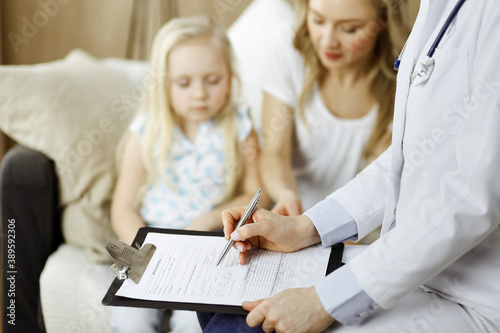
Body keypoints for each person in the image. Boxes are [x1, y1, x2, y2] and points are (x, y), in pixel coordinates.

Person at [201, 0, 500, 332]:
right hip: (411, 265)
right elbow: (408, 154)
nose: (329, 39)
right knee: (220, 297)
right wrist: (305, 227)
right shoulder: (438, 8)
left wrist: (327, 300)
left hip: (473, 296)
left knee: (241, 327)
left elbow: (472, 199)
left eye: (349, 28)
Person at [110, 16, 264, 333]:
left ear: (230, 78)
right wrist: (144, 257)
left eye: (212, 80)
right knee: (130, 321)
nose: (199, 94)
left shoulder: (239, 125)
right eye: (184, 83)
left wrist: (207, 220)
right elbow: (122, 207)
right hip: (149, 253)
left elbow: (255, 191)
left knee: (192, 322)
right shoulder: (147, 130)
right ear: (163, 84)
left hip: (206, 250)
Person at [260, 0, 410, 216]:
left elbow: (377, 191)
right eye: (318, 20)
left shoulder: (405, 78)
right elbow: (274, 152)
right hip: (296, 218)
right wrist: (286, 196)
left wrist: (319, 231)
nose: (328, 42)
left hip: (360, 228)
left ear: (384, 20)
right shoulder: (288, 45)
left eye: (350, 29)